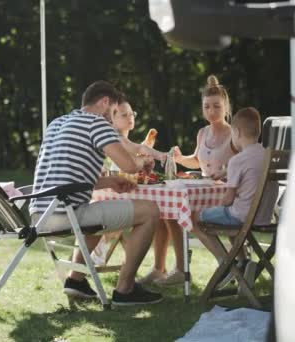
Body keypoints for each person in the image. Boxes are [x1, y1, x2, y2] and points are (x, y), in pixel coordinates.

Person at [29, 80, 163, 305]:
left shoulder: (57, 123)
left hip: (40, 215)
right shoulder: (96, 123)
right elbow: (130, 166)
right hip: (66, 215)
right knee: (150, 211)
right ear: (104, 102)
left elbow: (67, 177)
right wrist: (143, 162)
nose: (112, 118)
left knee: (100, 212)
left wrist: (109, 182)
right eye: (113, 112)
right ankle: (125, 290)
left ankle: (76, 280)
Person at [139, 75, 238, 286]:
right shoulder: (202, 133)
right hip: (204, 192)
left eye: (217, 107)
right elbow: (196, 161)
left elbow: (244, 164)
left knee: (190, 216)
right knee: (174, 212)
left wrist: (227, 171)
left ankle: (226, 262)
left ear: (226, 106)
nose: (211, 111)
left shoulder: (234, 134)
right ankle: (179, 270)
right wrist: (180, 158)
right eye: (207, 107)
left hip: (228, 195)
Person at [190, 107, 279, 283]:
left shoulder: (237, 160)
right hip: (264, 217)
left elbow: (228, 200)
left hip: (242, 218)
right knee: (229, 214)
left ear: (236, 132)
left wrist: (214, 205)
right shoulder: (269, 156)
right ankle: (243, 261)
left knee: (193, 217)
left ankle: (226, 263)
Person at [91, 98, 166, 266]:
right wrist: (160, 155)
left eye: (132, 114)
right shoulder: (115, 136)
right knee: (146, 215)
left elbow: (138, 151)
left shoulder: (123, 138)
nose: (130, 117)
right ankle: (100, 248)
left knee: (154, 215)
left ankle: (104, 252)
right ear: (112, 119)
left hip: (120, 188)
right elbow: (139, 149)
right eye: (124, 115)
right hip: (112, 191)